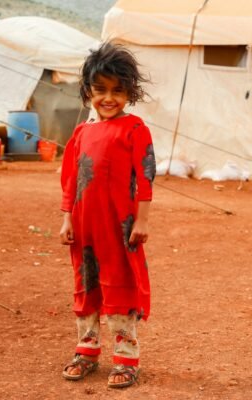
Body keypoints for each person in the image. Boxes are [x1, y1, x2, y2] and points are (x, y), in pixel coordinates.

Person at [59, 42, 155, 389]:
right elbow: (71, 177)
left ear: (130, 91)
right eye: (100, 90)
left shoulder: (134, 129)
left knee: (119, 286)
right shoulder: (82, 132)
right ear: (88, 91)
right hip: (85, 225)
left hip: (120, 226)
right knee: (86, 286)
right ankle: (86, 350)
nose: (109, 98)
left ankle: (126, 358)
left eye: (118, 90)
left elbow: (146, 177)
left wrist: (142, 221)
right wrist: (67, 217)